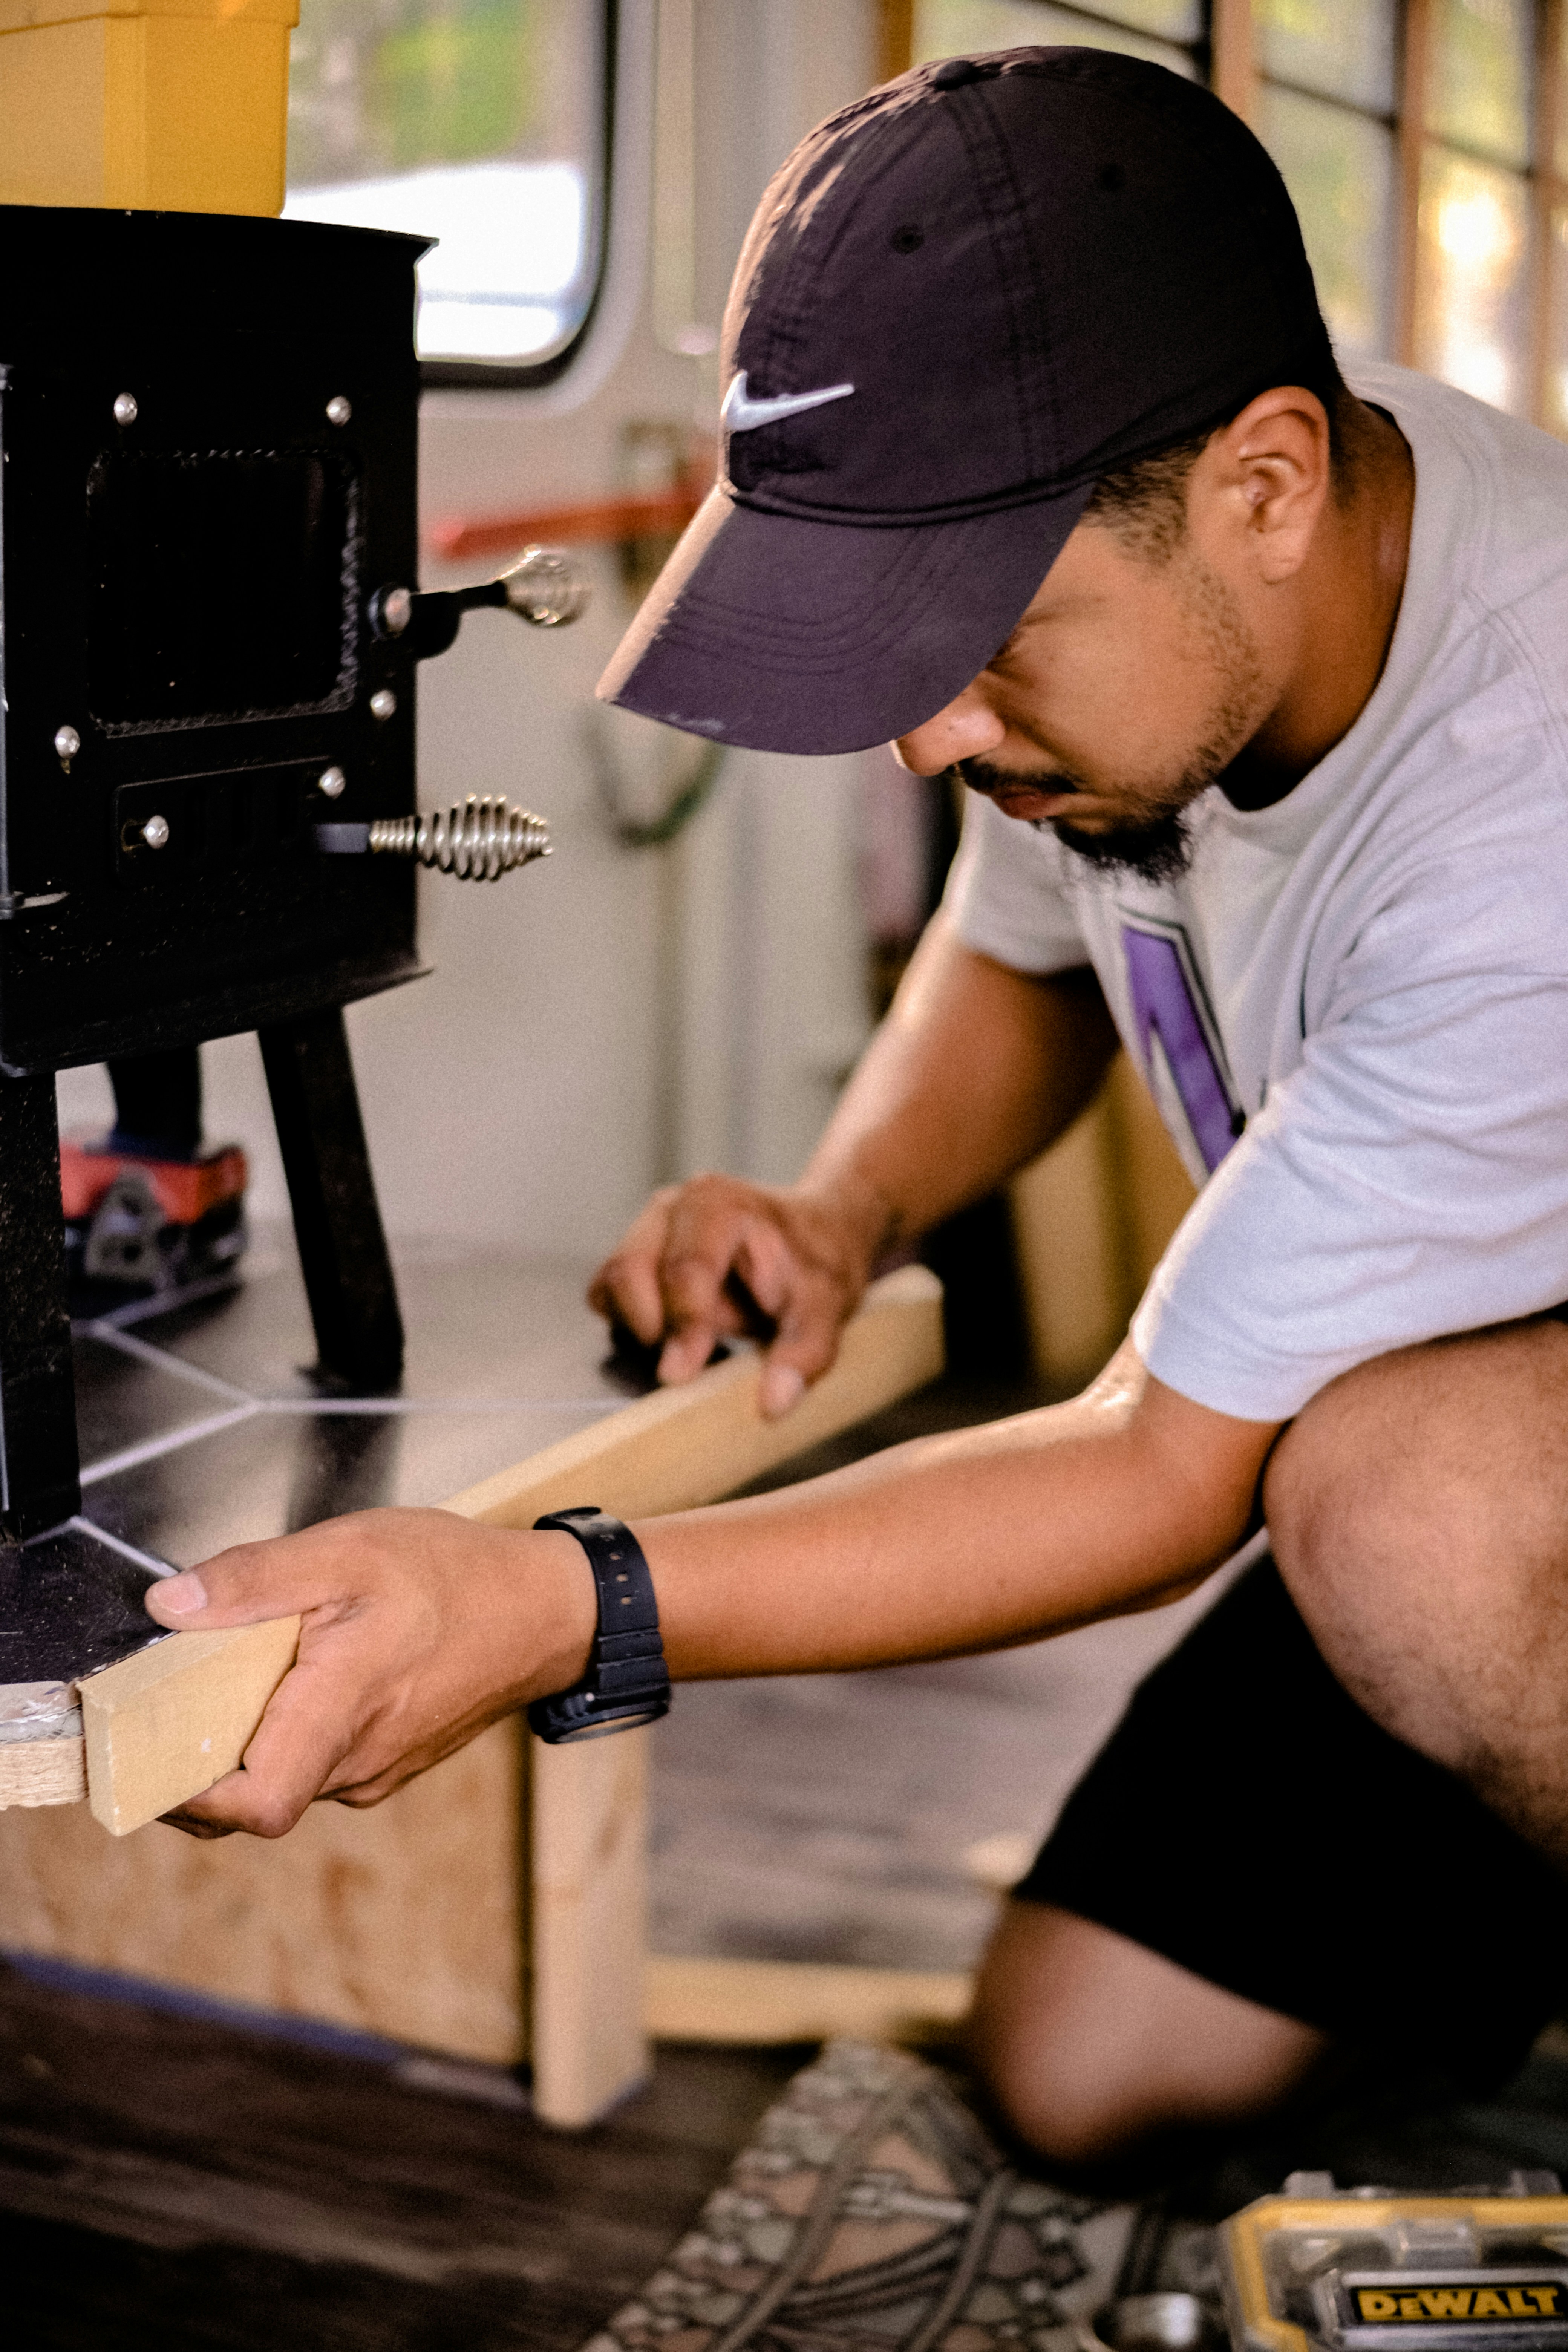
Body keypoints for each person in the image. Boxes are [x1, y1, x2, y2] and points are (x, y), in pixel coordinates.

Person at [142, 48, 1568, 2171]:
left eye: (980, 644)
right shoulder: (1205, 546)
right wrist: (846, 1207)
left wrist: (562, 1598)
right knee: (1089, 2071)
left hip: (1487, 1463)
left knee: (1403, 1511)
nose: (919, 737)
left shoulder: (1520, 808)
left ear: (1273, 486)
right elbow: (1024, 953)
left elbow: (1157, 1470)